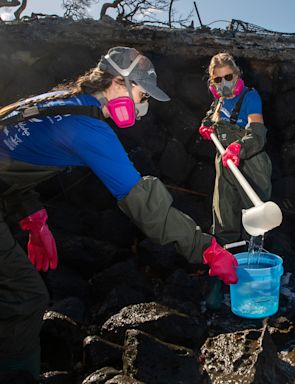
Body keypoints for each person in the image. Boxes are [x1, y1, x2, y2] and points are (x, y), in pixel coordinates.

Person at [0, 46, 238, 380]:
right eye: (142, 94)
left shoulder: (62, 99)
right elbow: (145, 206)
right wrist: (206, 249)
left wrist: (33, 217)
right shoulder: (89, 129)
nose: (144, 105)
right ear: (117, 82)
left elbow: (12, 157)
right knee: (26, 295)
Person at [198, 52, 272, 308]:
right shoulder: (217, 102)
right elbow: (210, 118)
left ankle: (256, 284)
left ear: (237, 75)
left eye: (228, 77)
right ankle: (220, 284)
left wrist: (240, 147)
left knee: (256, 226)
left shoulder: (250, 97)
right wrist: (207, 126)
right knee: (223, 223)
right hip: (225, 168)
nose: (224, 83)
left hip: (250, 165)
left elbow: (257, 131)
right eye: (218, 79)